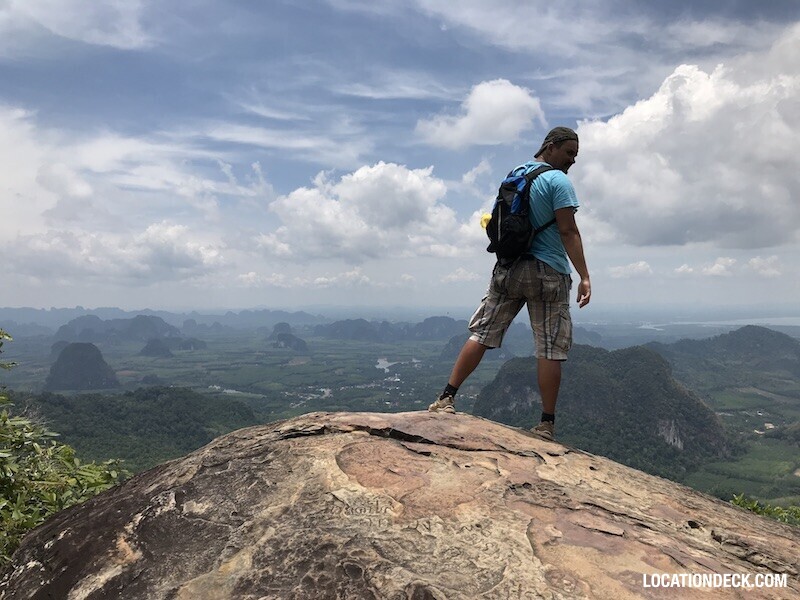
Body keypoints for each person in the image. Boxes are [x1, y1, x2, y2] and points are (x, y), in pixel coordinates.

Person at [428, 126, 591, 440]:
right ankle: (545, 424)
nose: (572, 160)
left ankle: (445, 397)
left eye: (575, 155)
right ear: (552, 146)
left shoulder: (515, 174)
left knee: (483, 332)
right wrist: (584, 275)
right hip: (547, 272)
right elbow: (568, 231)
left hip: (508, 268)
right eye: (569, 152)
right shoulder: (558, 181)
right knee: (549, 347)